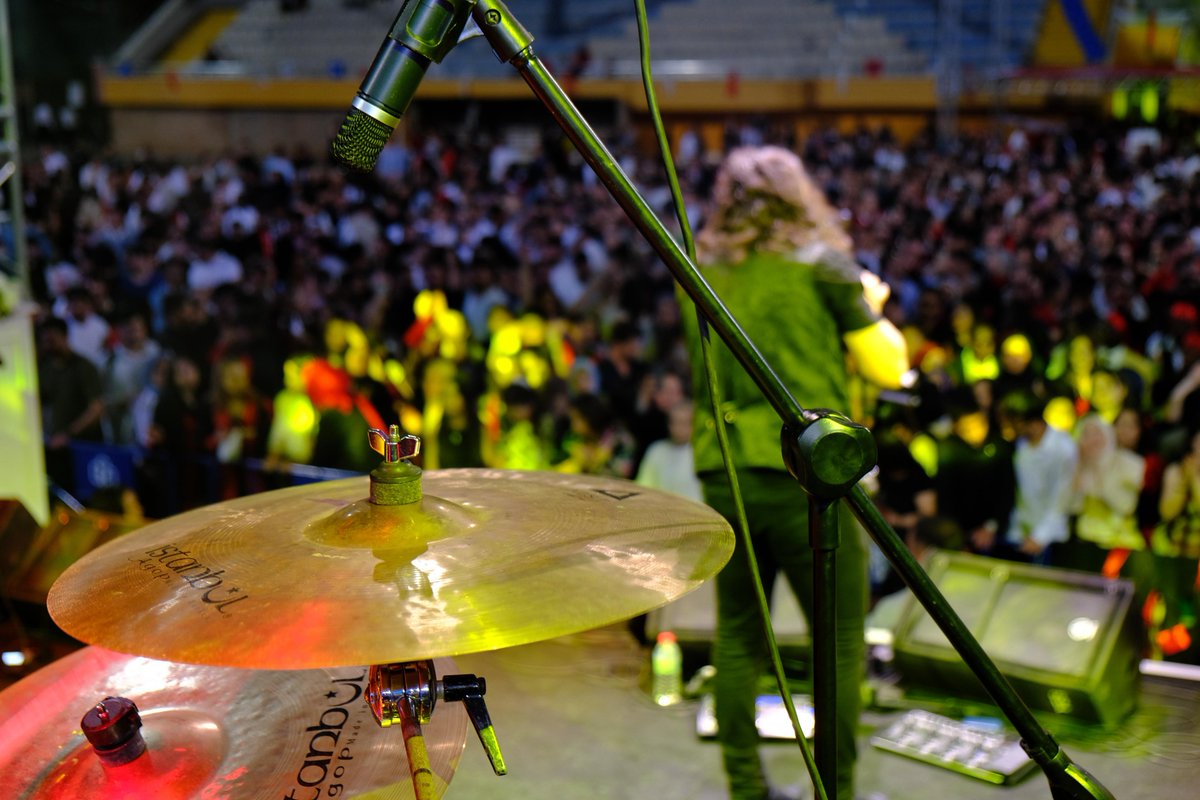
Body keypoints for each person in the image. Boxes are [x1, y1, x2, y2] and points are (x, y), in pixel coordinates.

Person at [683, 146, 908, 800]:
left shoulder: (698, 271)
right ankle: (833, 793)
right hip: (810, 478)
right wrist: (871, 301)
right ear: (797, 197)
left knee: (738, 636)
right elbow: (889, 368)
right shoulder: (826, 269)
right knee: (838, 644)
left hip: (726, 469)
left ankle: (748, 790)